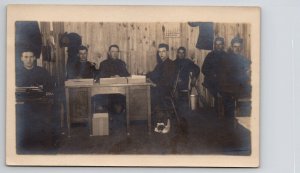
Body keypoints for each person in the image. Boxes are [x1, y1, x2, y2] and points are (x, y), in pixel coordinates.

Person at [218, 36, 251, 126]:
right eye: (235, 46)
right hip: (228, 88)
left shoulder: (244, 59)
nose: (237, 48)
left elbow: (247, 71)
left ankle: (242, 126)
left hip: (240, 87)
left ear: (241, 48)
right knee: (230, 112)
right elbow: (224, 77)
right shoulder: (226, 59)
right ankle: (230, 128)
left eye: (239, 46)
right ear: (232, 47)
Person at [147, 43, 177, 134]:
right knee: (151, 93)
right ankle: (159, 121)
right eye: (159, 52)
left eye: (163, 51)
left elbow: (168, 81)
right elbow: (153, 75)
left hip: (167, 89)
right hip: (160, 88)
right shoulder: (160, 65)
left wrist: (155, 85)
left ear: (168, 52)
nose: (161, 54)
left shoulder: (171, 64)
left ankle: (165, 122)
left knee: (155, 94)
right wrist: (144, 75)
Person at [94, 45, 130, 115]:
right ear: (109, 53)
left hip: (120, 92)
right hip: (106, 92)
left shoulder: (122, 63)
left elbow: (127, 76)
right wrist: (110, 77)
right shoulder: (103, 64)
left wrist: (119, 77)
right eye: (113, 51)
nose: (115, 53)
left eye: (117, 52)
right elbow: (99, 78)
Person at [201, 37, 227, 109]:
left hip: (223, 81)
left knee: (225, 91)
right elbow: (204, 69)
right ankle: (217, 111)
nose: (218, 46)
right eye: (216, 44)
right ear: (214, 45)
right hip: (212, 81)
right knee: (218, 93)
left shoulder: (226, 56)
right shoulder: (210, 55)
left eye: (220, 44)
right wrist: (213, 74)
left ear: (223, 45)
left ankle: (222, 112)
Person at [174, 47, 200, 114]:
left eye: (183, 53)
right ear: (177, 53)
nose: (181, 54)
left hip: (184, 85)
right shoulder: (173, 63)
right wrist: (176, 79)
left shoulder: (188, 62)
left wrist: (194, 78)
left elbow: (197, 69)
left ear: (185, 54)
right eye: (180, 52)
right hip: (174, 85)